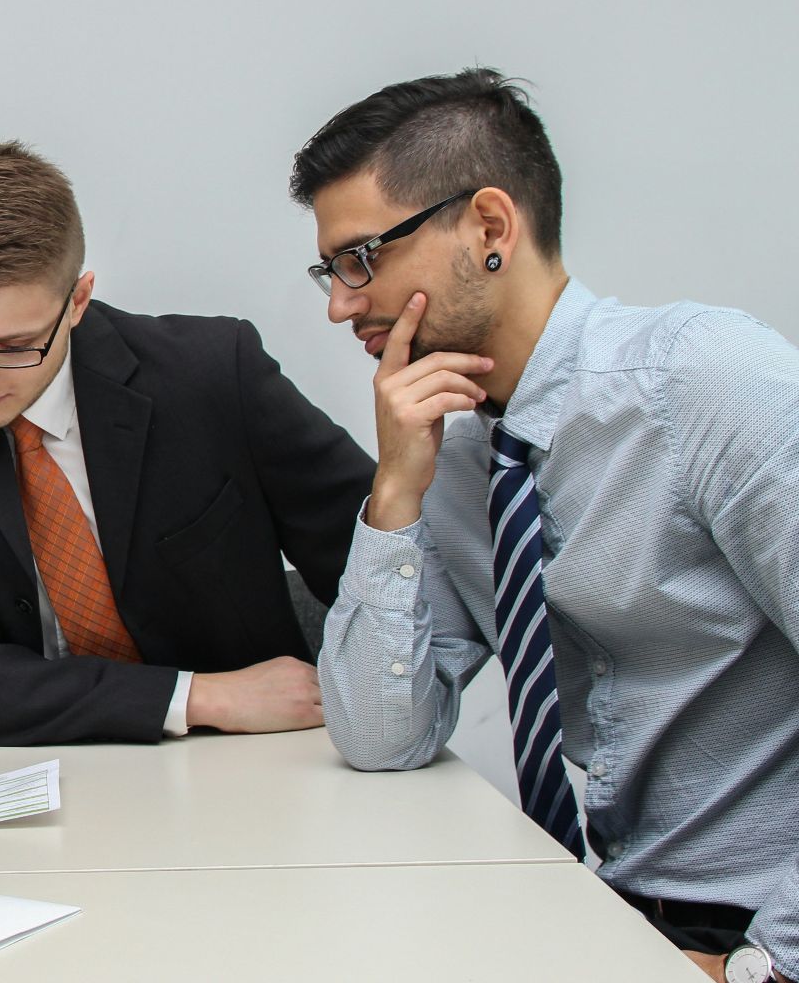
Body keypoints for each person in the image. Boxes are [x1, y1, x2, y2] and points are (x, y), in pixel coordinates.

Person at [293, 68, 797, 983]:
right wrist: (396, 493)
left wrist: (760, 967)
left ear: (489, 228)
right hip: (616, 914)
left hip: (762, 926)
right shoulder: (452, 454)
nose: (339, 302)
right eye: (331, 270)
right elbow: (377, 737)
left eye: (361, 259)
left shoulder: (709, 384)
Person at [0, 141, 372, 747]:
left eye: (13, 347)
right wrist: (200, 696)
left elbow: (383, 576)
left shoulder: (213, 376)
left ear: (78, 301)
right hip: (10, 769)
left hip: (247, 762)